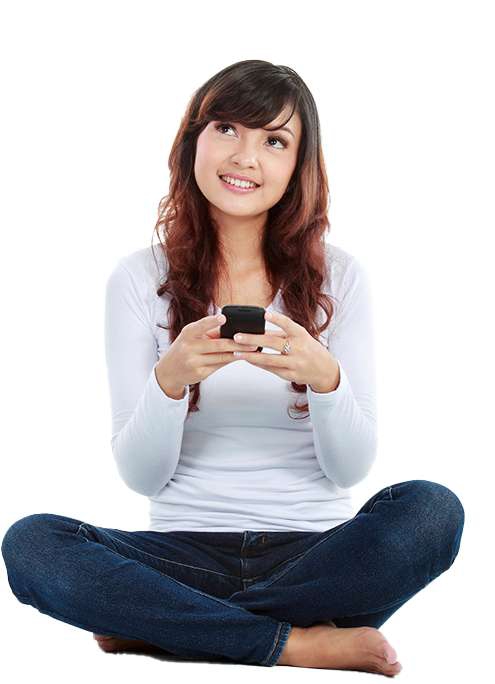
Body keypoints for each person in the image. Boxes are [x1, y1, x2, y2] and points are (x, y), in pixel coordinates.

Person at [1, 59, 464, 675]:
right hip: (181, 555)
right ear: (192, 140)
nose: (245, 157)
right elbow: (142, 477)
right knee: (33, 544)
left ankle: (168, 624)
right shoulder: (138, 278)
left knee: (432, 511)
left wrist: (325, 380)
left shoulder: (341, 276)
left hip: (318, 559)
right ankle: (293, 643)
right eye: (227, 129)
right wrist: (170, 382)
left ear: (298, 165)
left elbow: (350, 468)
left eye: (274, 141)